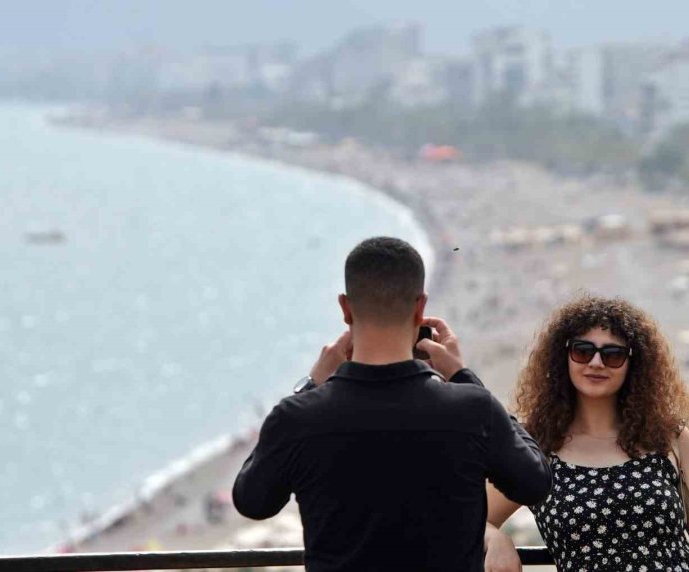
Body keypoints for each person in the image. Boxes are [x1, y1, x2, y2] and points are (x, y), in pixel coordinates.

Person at [232, 236, 552, 572]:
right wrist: (462, 376)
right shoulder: (472, 410)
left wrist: (311, 385)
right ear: (420, 308)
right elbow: (534, 483)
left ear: (345, 308)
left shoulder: (298, 418)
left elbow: (252, 501)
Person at [483, 295, 689, 572]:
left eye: (612, 355)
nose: (596, 362)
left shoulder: (669, 437)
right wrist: (496, 539)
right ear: (562, 356)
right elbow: (468, 517)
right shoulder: (536, 448)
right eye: (582, 351)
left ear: (634, 364)